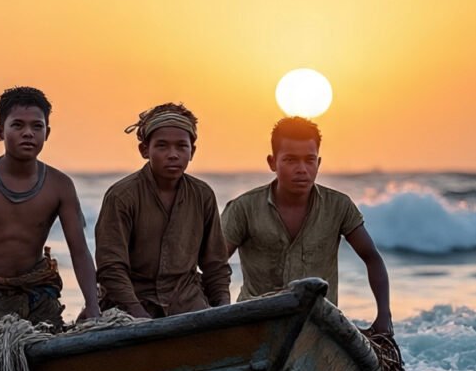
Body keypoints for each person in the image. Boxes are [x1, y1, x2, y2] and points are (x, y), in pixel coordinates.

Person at [0, 86, 101, 347]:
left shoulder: (60, 185)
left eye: (36, 127)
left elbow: (80, 251)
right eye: (17, 125)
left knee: (54, 356)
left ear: (47, 133)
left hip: (38, 293)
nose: (28, 133)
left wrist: (92, 305)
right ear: (0, 132)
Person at [221, 116, 393, 333]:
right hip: (255, 322)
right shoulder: (243, 208)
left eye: (309, 160)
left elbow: (372, 257)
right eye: (291, 160)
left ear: (318, 163)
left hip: (319, 325)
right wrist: (220, 313)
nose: (302, 169)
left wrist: (384, 316)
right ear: (272, 162)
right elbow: (214, 265)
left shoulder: (338, 206)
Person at [95, 103, 231, 318]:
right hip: (131, 308)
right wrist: (139, 316)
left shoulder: (203, 195)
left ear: (192, 151)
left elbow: (215, 265)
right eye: (162, 146)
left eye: (181, 147)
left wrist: (224, 311)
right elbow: (111, 268)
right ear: (144, 150)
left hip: (188, 304)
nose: (173, 155)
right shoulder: (122, 196)